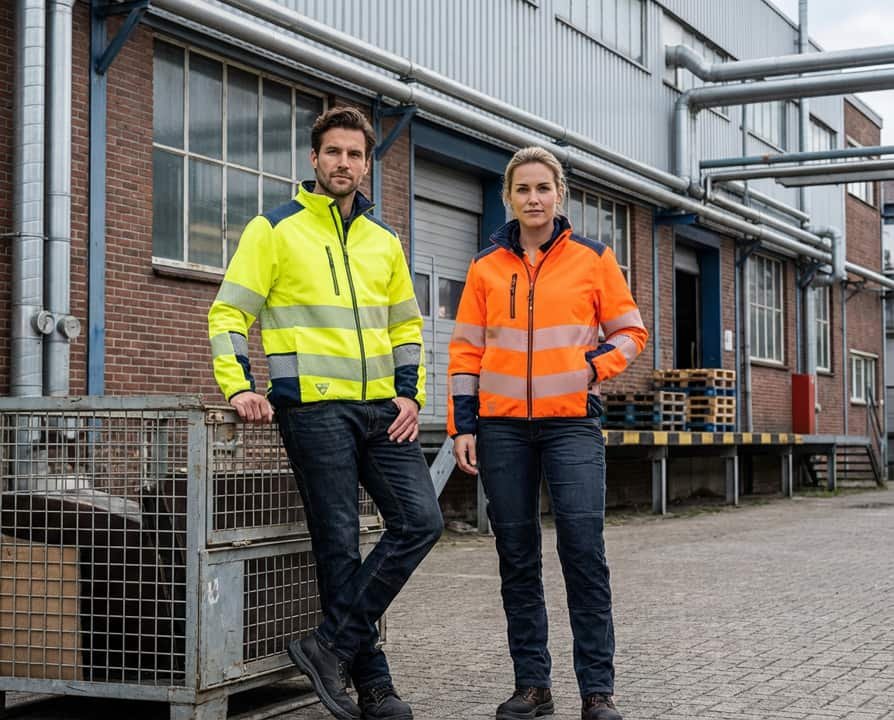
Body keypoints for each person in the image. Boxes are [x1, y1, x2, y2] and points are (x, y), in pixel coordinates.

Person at [208, 106, 443, 720]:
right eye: (333, 152)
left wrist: (411, 393)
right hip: (312, 411)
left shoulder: (384, 241)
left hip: (381, 411)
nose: (344, 163)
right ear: (314, 159)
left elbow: (407, 326)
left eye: (355, 154)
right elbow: (229, 313)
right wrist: (239, 387)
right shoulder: (274, 229)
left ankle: (329, 646)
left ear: (367, 165)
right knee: (338, 545)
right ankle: (375, 686)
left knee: (421, 522)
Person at [447, 146, 647, 720]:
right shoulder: (485, 267)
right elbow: (465, 351)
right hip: (502, 428)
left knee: (583, 551)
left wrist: (593, 366)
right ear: (508, 197)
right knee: (516, 556)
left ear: (560, 194)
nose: (533, 199)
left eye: (543, 188)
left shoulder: (594, 259)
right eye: (522, 189)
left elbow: (631, 332)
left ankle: (597, 691)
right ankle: (533, 686)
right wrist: (464, 425)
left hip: (571, 425)